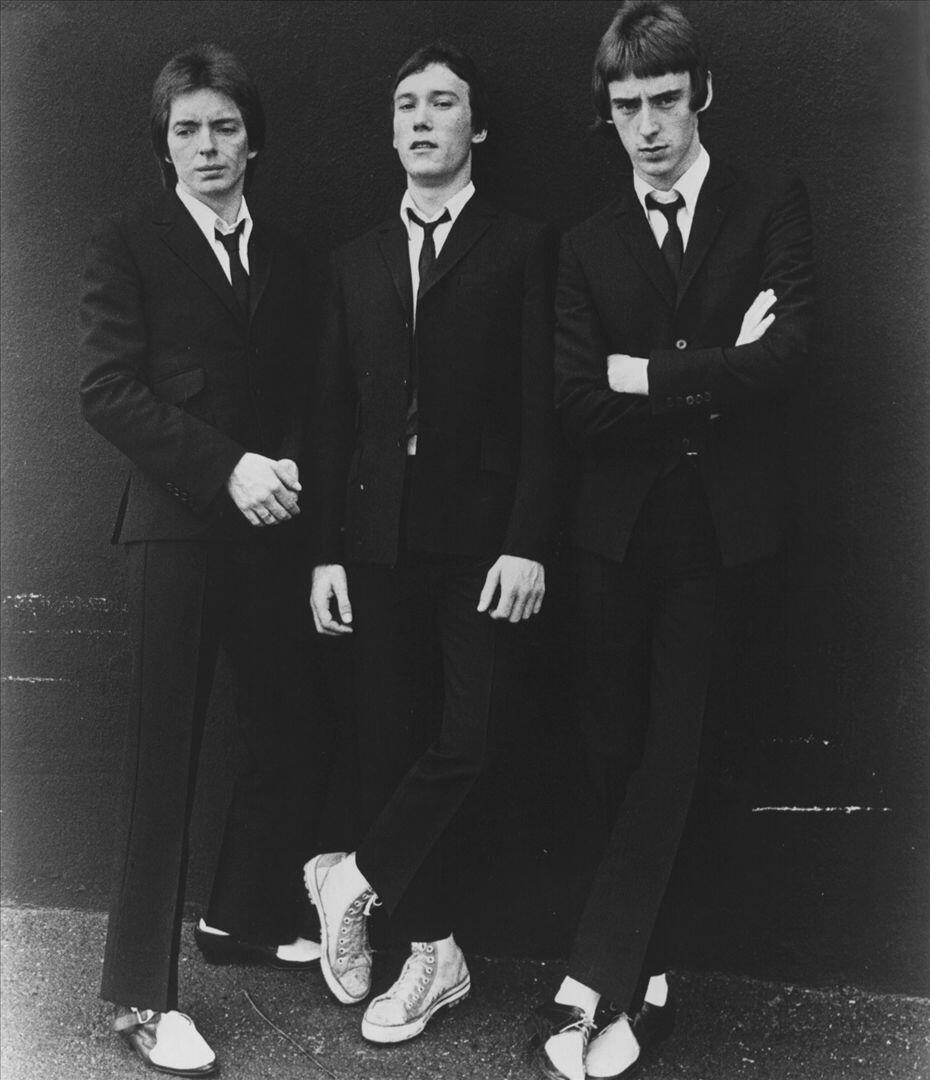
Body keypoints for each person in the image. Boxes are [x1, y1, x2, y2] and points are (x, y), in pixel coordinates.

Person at [529, 3, 814, 1078]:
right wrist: (715, 376)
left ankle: (589, 984)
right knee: (611, 746)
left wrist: (645, 373)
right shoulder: (585, 243)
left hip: (718, 532)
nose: (647, 127)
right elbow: (574, 403)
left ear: (703, 94)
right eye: (626, 107)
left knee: (675, 750)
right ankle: (646, 971)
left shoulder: (766, 204)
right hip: (613, 533)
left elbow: (790, 358)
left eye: (663, 100)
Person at [305, 42, 558, 1046]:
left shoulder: (522, 245)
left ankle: (351, 878)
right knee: (388, 745)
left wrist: (527, 540)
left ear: (476, 127)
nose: (421, 118)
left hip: (483, 547)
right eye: (406, 103)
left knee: (472, 734)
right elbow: (332, 418)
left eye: (443, 103)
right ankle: (433, 953)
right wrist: (325, 551)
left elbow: (543, 412)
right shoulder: (356, 259)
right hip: (376, 539)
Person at [80, 44, 325, 1077]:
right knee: (165, 760)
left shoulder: (290, 255)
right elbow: (107, 391)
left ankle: (243, 915)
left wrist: (292, 471)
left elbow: (307, 387)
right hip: (176, 528)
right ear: (165, 146)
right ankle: (141, 995)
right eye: (187, 130)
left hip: (271, 530)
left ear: (252, 140)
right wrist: (227, 468)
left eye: (225, 126)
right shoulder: (128, 243)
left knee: (284, 723)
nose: (208, 146)